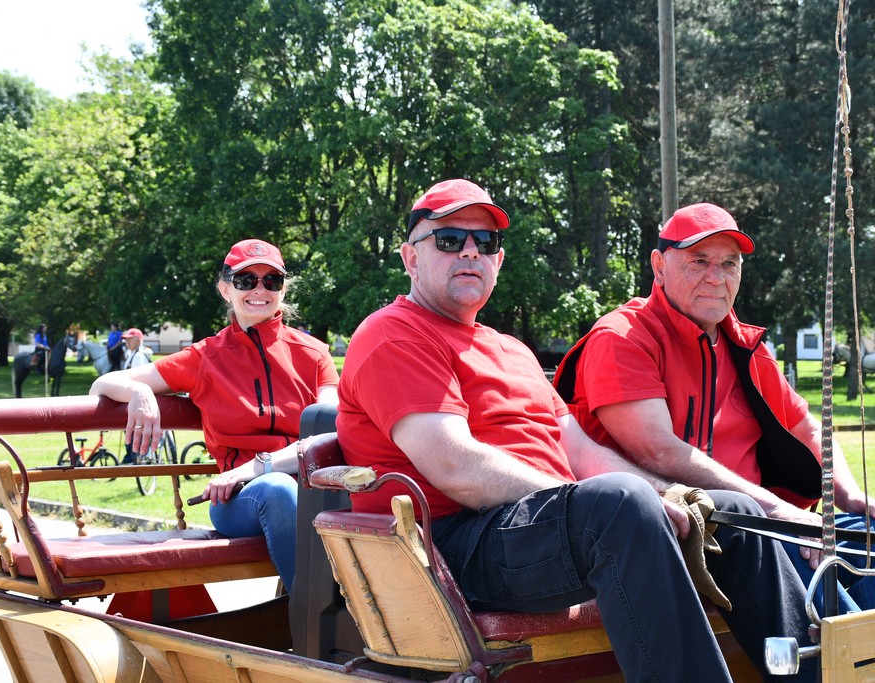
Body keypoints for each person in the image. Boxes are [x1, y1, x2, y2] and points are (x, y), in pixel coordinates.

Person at [337, 180, 816, 682]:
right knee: (621, 502)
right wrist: (608, 500)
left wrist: (667, 494)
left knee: (733, 512)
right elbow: (456, 468)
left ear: (499, 260)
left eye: (486, 241)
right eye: (450, 239)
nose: (471, 252)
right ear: (411, 258)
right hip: (450, 547)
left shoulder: (512, 350)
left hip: (535, 527)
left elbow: (583, 453)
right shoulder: (393, 333)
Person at [555, 202, 875, 616]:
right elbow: (656, 450)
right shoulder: (622, 337)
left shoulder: (745, 347)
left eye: (729, 263)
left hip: (758, 523)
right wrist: (778, 511)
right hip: (675, 530)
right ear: (659, 266)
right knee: (791, 549)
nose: (716, 277)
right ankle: (860, 651)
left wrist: (848, 493)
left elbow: (806, 427)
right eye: (698, 261)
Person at [90, 239, 339, 592]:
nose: (260, 289)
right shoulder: (204, 358)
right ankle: (313, 615)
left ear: (283, 289)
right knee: (277, 489)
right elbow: (103, 383)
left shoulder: (314, 354)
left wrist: (258, 466)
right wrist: (140, 392)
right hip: (239, 497)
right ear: (225, 289)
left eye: (272, 280)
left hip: (312, 488)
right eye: (246, 280)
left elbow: (329, 428)